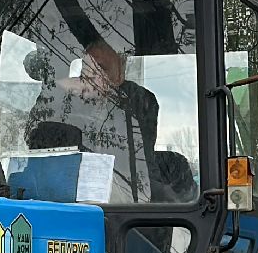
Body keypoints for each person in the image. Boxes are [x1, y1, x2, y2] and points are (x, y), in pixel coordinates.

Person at [24, 39, 162, 201]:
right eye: (86, 70)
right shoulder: (60, 101)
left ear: (119, 75)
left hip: (123, 199)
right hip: (62, 198)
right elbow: (33, 140)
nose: (91, 78)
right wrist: (59, 89)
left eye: (102, 69)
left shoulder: (138, 102)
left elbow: (137, 159)